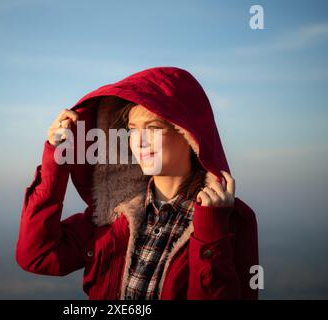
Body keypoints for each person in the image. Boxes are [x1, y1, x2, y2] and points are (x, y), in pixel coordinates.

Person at [16, 66, 259, 300]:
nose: (139, 141)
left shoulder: (230, 220)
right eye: (132, 130)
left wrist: (211, 235)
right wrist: (56, 160)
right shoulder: (111, 214)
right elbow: (36, 255)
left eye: (153, 128)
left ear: (188, 135)